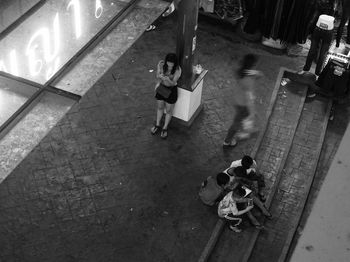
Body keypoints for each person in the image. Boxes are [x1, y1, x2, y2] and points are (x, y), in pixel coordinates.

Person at [223, 53, 262, 147]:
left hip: (237, 100)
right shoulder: (249, 80)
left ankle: (242, 131)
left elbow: (260, 75)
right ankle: (228, 141)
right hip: (243, 105)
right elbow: (249, 99)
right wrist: (252, 112)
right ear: (252, 65)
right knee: (237, 123)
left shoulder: (240, 71)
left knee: (240, 120)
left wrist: (256, 73)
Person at [151, 53, 181, 139]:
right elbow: (157, 76)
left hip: (171, 90)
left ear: (175, 63)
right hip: (162, 88)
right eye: (168, 62)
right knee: (160, 107)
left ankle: (165, 128)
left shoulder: (177, 70)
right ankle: (157, 125)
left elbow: (173, 83)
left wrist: (168, 79)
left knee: (168, 110)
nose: (170, 64)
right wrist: (159, 71)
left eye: (172, 63)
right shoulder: (162, 65)